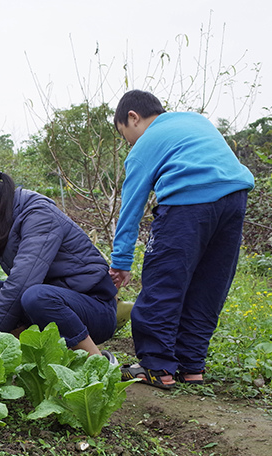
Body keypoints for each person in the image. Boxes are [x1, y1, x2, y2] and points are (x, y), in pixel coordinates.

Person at [109, 90, 254, 389]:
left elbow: (131, 207)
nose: (131, 144)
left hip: (188, 204)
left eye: (127, 136)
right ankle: (191, 366)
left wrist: (121, 261)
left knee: (163, 281)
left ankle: (156, 367)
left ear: (133, 118)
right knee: (209, 285)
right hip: (235, 198)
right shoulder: (196, 121)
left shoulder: (146, 144)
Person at [0, 171, 118, 360]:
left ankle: (98, 361)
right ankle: (30, 356)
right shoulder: (7, 221)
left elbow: (23, 282)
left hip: (94, 308)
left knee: (36, 296)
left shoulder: (39, 217)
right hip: (56, 299)